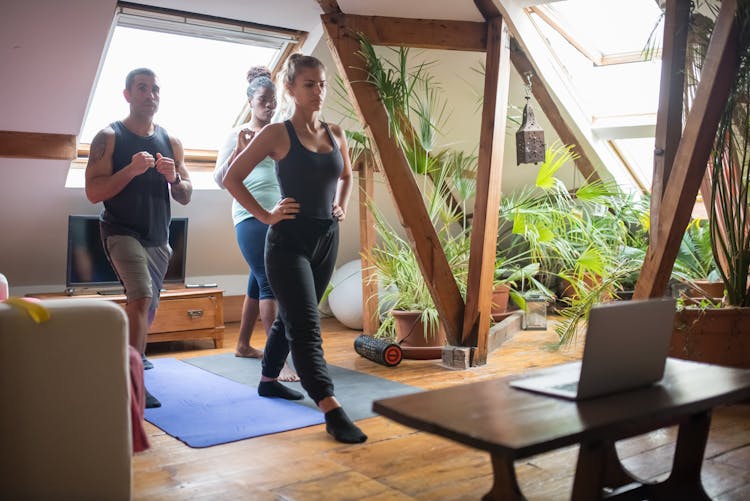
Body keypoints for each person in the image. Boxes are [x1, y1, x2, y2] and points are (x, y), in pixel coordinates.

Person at [224, 54, 366, 444]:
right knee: (306, 326)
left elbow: (347, 176)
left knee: (289, 319)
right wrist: (266, 215)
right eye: (309, 84)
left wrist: (342, 204)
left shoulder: (336, 132)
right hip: (287, 242)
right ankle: (329, 405)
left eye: (321, 83)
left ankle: (268, 380)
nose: (318, 91)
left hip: (326, 238)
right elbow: (231, 178)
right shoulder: (276, 134)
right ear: (290, 88)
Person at [85, 67, 192, 409]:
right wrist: (130, 170)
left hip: (158, 237)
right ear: (127, 95)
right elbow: (92, 192)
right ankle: (134, 384)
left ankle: (125, 357)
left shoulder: (171, 141)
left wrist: (174, 179)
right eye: (142, 88)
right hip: (120, 231)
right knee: (142, 297)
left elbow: (186, 195)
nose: (150, 95)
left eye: (155, 89)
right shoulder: (110, 136)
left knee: (146, 308)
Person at [213, 66, 298, 381]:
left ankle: (244, 345)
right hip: (250, 216)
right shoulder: (237, 133)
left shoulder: (279, 133)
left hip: (277, 213)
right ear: (250, 102)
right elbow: (221, 180)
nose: (269, 106)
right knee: (270, 281)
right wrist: (239, 149)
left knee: (256, 280)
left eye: (273, 100)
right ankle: (280, 362)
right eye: (263, 100)